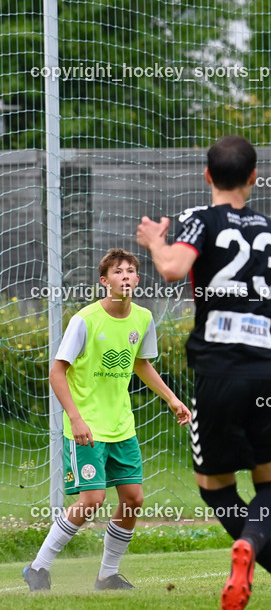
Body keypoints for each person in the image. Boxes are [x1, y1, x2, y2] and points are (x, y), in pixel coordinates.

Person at [137, 135, 271, 610]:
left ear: (207, 176)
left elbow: (171, 269)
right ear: (254, 178)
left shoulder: (199, 221)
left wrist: (154, 242)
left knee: (217, 489)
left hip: (215, 374)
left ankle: (248, 547)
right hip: (268, 374)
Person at [22, 249, 191, 593]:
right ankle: (37, 567)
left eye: (131, 271)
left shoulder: (143, 319)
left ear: (138, 280)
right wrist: (76, 418)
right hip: (86, 428)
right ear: (105, 281)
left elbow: (141, 364)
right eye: (118, 272)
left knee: (133, 498)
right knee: (92, 500)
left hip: (121, 427)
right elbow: (57, 372)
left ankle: (107, 576)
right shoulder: (85, 320)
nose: (126, 276)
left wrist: (172, 399)